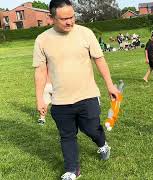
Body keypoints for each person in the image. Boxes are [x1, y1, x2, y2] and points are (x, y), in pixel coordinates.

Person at [33, 0, 120, 179]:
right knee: (67, 136)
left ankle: (102, 143)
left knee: (91, 129)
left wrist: (110, 85)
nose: (70, 22)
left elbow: (99, 59)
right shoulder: (42, 40)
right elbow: (41, 71)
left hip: (87, 95)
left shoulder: (85, 33)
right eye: (64, 18)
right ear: (51, 18)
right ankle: (72, 170)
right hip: (60, 100)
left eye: (72, 16)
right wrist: (40, 98)